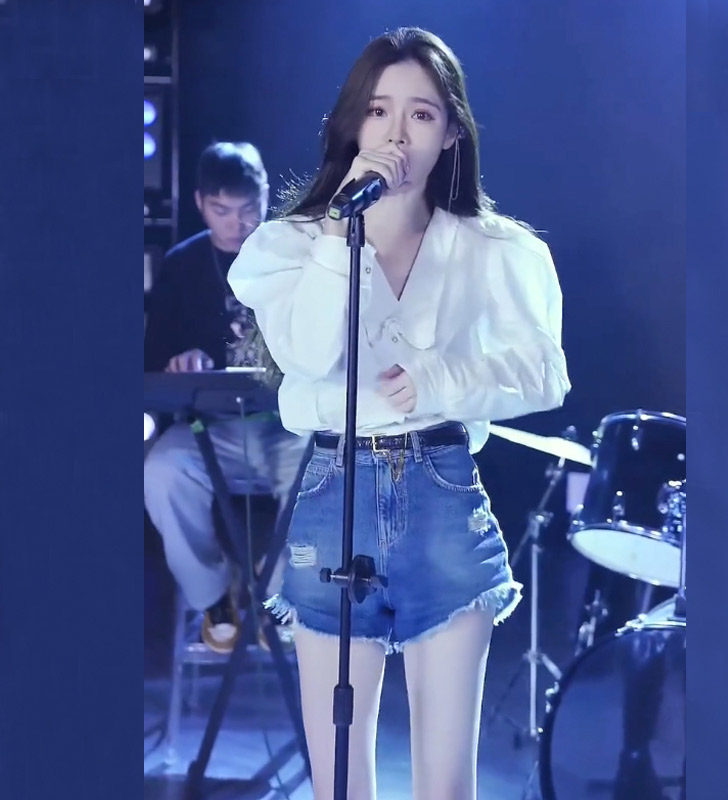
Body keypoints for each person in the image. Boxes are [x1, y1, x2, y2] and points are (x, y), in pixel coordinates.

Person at [229, 28, 570, 800]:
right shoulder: (292, 245)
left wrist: (444, 379)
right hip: (333, 494)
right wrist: (343, 235)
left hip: (440, 493)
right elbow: (309, 353)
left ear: (451, 133)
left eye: (421, 114)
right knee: (339, 784)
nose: (396, 135)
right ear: (353, 124)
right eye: (379, 111)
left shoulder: (494, 249)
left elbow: (546, 371)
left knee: (445, 788)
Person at [144, 142, 309, 653]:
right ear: (200, 203)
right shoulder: (183, 264)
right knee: (162, 470)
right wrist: (180, 360)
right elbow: (153, 360)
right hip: (208, 430)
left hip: (287, 426)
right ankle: (213, 597)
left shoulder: (295, 259)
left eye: (248, 209)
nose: (237, 223)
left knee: (327, 473)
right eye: (221, 210)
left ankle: (280, 594)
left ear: (266, 196)